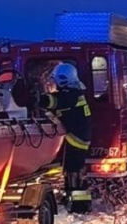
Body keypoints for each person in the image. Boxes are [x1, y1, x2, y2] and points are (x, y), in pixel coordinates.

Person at [39, 61, 92, 211]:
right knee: (72, 170)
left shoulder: (71, 95)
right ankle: (76, 201)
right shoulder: (74, 93)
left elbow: (55, 102)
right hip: (78, 137)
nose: (54, 84)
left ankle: (79, 205)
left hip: (75, 139)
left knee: (73, 170)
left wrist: (39, 99)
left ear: (62, 80)